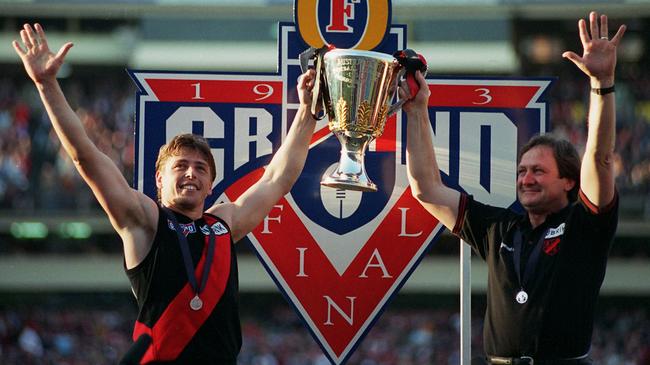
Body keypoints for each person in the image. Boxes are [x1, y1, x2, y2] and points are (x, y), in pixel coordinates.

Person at [13, 23, 317, 364]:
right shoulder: (145, 220)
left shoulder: (223, 224)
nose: (191, 173)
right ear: (159, 179)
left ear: (211, 185)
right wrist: (47, 85)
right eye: (181, 166)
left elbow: (278, 177)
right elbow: (86, 157)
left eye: (201, 168)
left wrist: (306, 110)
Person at [403, 12, 625, 365]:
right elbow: (426, 188)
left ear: (569, 181)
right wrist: (417, 109)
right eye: (522, 171)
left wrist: (602, 85)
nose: (526, 179)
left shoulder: (586, 225)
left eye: (538, 170)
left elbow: (599, 157)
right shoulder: (498, 228)